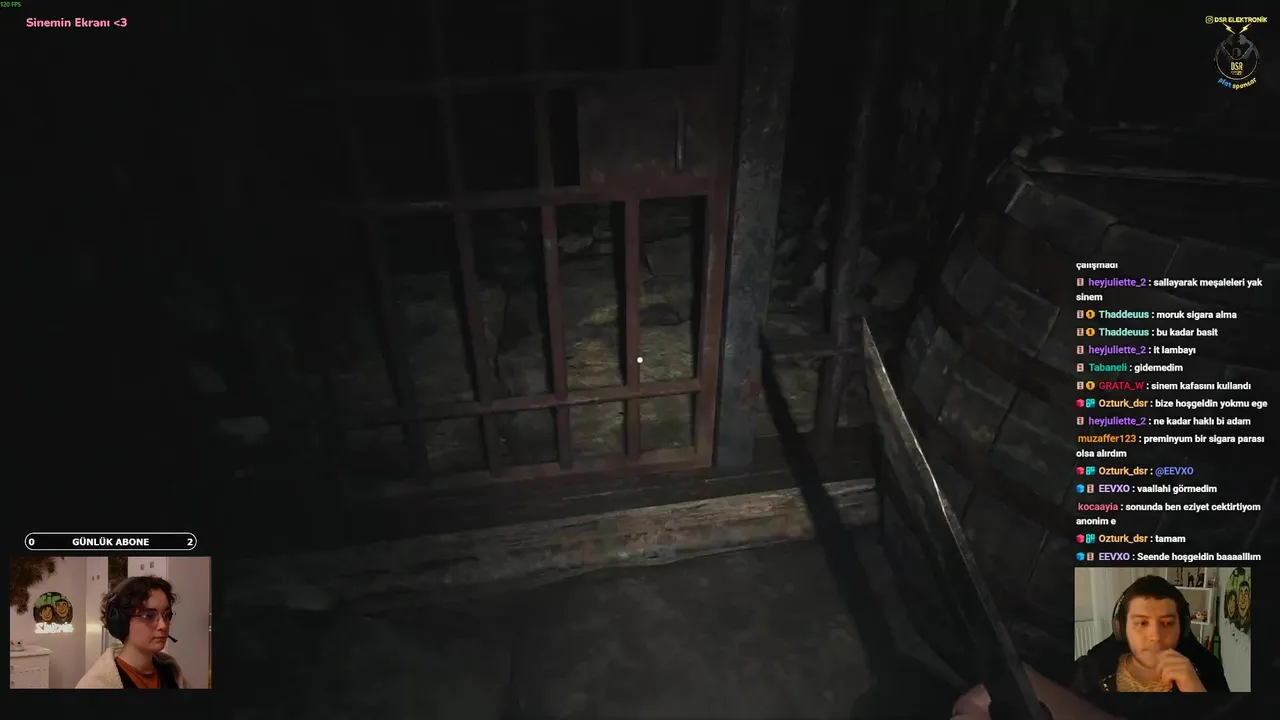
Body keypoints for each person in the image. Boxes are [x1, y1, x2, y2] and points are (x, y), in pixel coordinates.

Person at [1071, 575, 1228, 699]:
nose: (1155, 636)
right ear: (1121, 628)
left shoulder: (1209, 670)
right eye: (1142, 623)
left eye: (1167, 623)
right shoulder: (1088, 672)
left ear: (1183, 628)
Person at [76, 575, 190, 689]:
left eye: (166, 615)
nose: (163, 625)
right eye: (149, 616)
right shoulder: (94, 685)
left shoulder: (172, 674)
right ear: (122, 621)